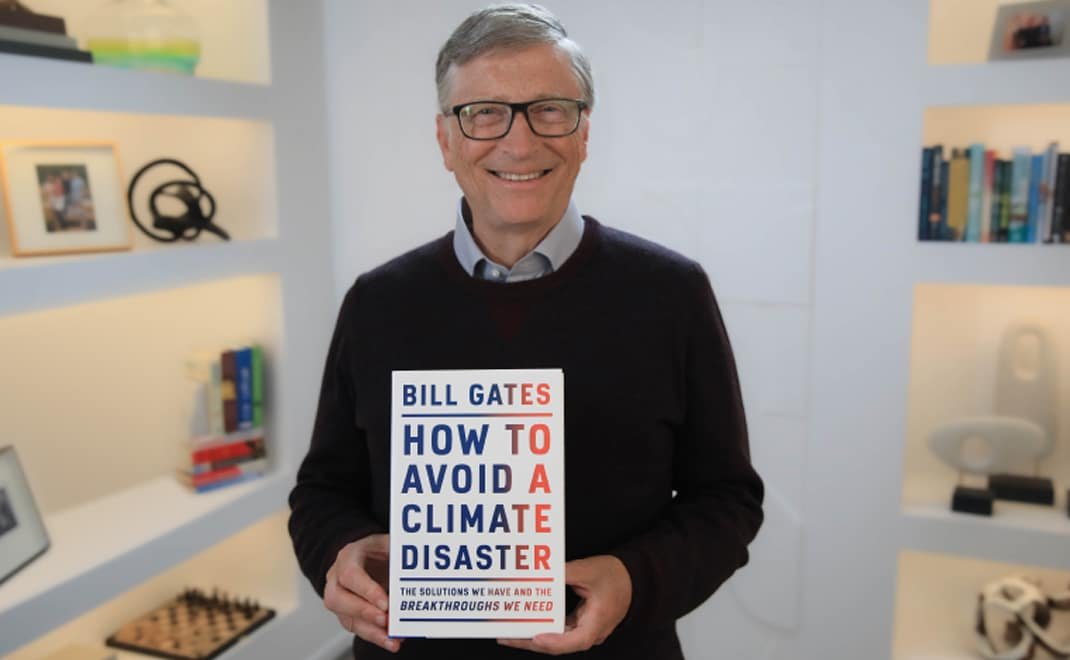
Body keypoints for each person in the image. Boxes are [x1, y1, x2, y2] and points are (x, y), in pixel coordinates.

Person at [288, 4, 764, 658]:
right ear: (445, 140)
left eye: (550, 109)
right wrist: (337, 553)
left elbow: (729, 502)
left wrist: (633, 580)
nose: (519, 142)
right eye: (484, 112)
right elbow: (321, 493)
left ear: (584, 132)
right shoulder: (376, 303)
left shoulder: (672, 293)